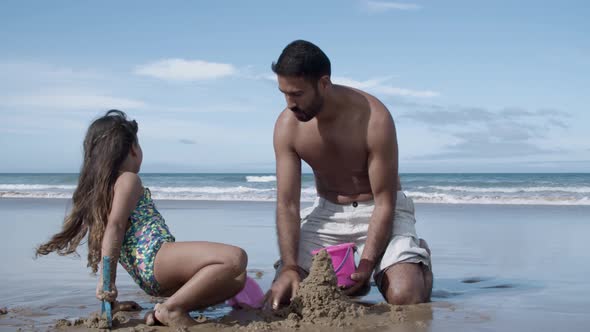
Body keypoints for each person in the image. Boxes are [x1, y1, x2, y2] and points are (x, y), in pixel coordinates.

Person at [36, 110, 247, 328]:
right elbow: (115, 228)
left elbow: (111, 235)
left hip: (147, 275)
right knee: (235, 258)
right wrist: (106, 282)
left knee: (237, 280)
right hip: (156, 258)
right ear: (133, 149)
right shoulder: (128, 179)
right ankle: (171, 309)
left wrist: (110, 296)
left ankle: (164, 310)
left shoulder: (103, 191)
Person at [267, 40, 433, 309]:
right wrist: (288, 266)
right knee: (287, 296)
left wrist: (367, 264)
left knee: (406, 296)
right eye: (284, 93)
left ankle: (417, 258)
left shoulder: (373, 118)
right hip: (328, 213)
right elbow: (287, 203)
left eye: (297, 94)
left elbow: (385, 201)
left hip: (379, 208)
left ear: (323, 83)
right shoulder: (288, 126)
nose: (290, 104)